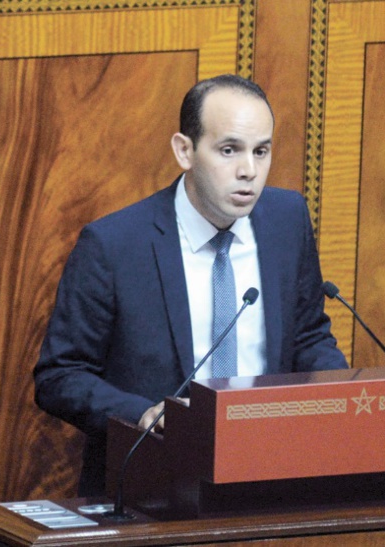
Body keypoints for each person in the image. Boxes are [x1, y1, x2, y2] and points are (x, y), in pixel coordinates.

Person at [33, 74, 348, 496]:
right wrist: (142, 413)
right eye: (229, 150)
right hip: (153, 487)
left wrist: (340, 396)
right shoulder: (114, 245)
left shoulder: (286, 220)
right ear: (185, 150)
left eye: (261, 151)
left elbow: (308, 335)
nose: (249, 172)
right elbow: (60, 376)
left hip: (269, 479)